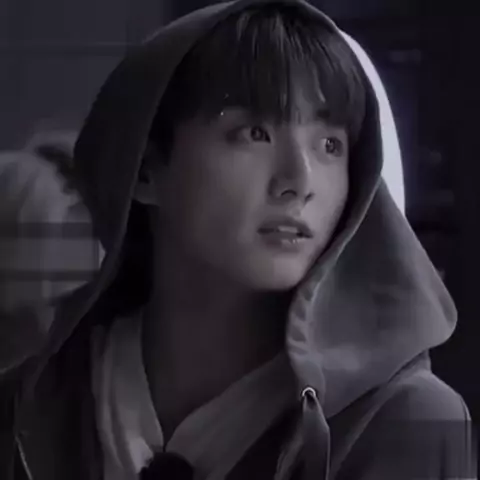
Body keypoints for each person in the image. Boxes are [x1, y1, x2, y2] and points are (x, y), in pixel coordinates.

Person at [0, 0, 475, 479]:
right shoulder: (31, 408)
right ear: (145, 168)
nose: (300, 181)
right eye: (254, 133)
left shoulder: (401, 423)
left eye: (329, 145)